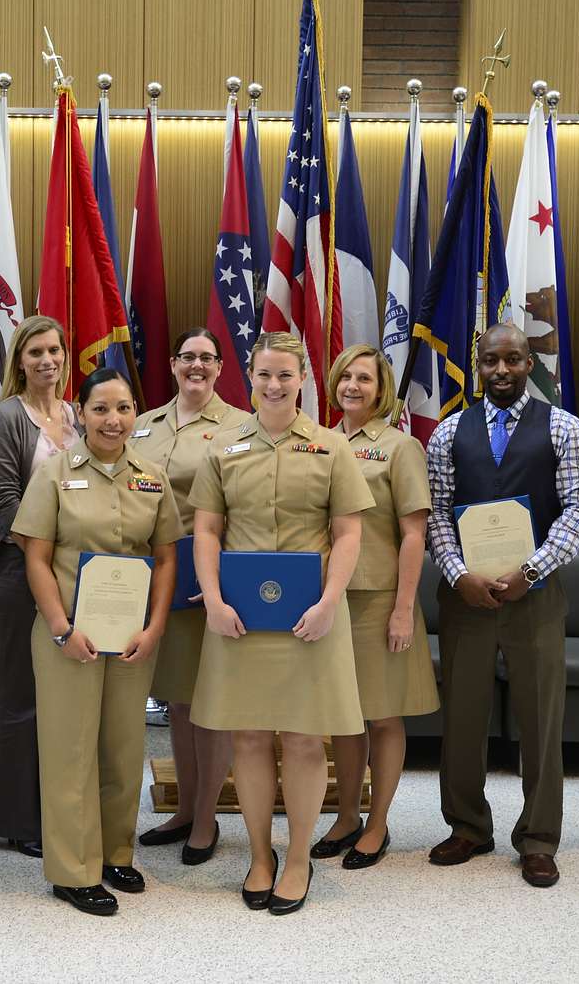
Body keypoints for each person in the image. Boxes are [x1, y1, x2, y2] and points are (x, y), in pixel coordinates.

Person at [188, 331, 374, 915]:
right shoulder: (222, 447)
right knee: (246, 736)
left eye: (285, 375)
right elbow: (207, 530)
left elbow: (348, 532)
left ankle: (297, 858)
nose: (273, 385)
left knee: (300, 738)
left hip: (309, 618)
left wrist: (329, 602)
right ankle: (260, 855)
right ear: (249, 375)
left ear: (303, 378)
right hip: (240, 618)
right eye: (264, 374)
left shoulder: (330, 447)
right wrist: (214, 601)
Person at [424, 323, 579, 888]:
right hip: (465, 597)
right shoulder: (449, 433)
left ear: (531, 363)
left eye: (514, 360)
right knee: (464, 716)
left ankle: (540, 837)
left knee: (541, 720)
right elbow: (435, 512)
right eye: (491, 361)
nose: (502, 371)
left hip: (536, 598)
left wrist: (531, 570)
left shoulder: (564, 428)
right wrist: (457, 573)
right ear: (477, 365)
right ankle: (469, 826)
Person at [13, 367, 182, 916]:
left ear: (137, 413)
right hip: (69, 637)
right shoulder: (55, 474)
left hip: (132, 639)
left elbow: (166, 558)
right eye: (102, 409)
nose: (114, 419)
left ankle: (114, 852)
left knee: (122, 749)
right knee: (70, 751)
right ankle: (72, 869)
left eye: (125, 408)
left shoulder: (151, 477)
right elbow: (35, 557)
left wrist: (156, 627)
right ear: (80, 412)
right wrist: (62, 627)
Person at [313, 344, 437, 869]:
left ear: (380, 388)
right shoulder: (317, 444)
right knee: (343, 717)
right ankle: (346, 815)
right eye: (345, 378)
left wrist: (404, 609)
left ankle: (378, 822)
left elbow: (415, 534)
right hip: (327, 598)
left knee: (383, 716)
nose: (352, 387)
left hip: (380, 597)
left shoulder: (399, 447)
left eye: (364, 379)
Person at [133, 328, 246, 864]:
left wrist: (220, 580)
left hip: (212, 582)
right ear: (173, 364)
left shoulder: (241, 428)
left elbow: (244, 510)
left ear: (221, 367)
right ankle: (182, 810)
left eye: (206, 358)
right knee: (178, 701)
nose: (195, 366)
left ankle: (206, 820)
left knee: (214, 704)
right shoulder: (141, 427)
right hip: (159, 578)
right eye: (186, 358)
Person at [0, 314, 77, 858]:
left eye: (55, 350)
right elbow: (5, 503)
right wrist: (52, 558)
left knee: (63, 696)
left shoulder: (75, 416)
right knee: (22, 694)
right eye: (35, 351)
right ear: (19, 360)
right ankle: (18, 820)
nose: (46, 360)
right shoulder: (5, 418)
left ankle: (60, 806)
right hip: (19, 573)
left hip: (71, 575)